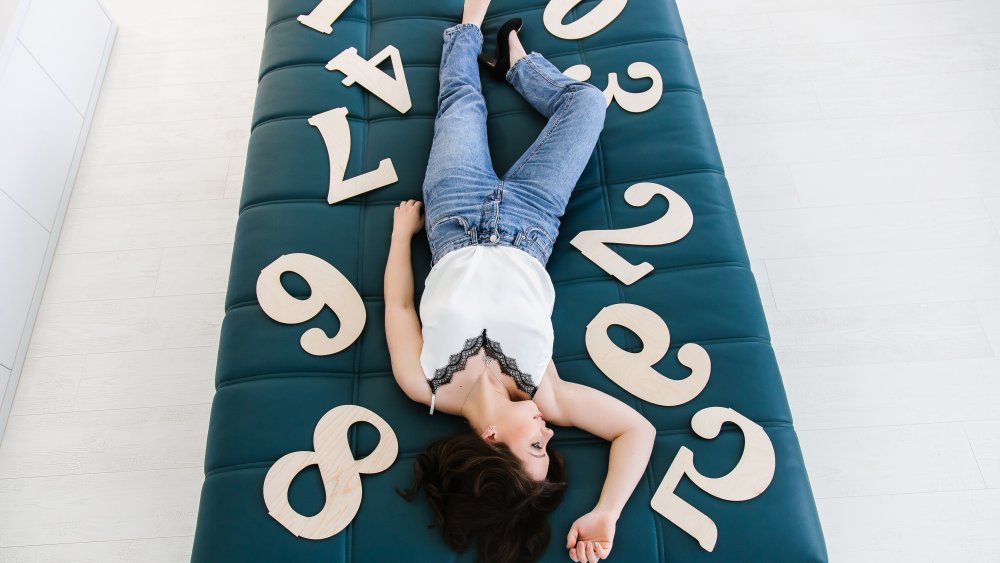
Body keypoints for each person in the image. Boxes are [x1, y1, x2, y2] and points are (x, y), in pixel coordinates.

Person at [384, 1, 656, 562]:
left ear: (490, 441)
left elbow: (400, 307)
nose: (549, 434)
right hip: (533, 221)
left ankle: (468, 22)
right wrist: (606, 512)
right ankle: (517, 63)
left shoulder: (425, 384)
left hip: (452, 216)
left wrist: (399, 236)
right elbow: (636, 432)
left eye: (535, 446)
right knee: (585, 105)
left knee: (461, 103)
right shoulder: (545, 393)